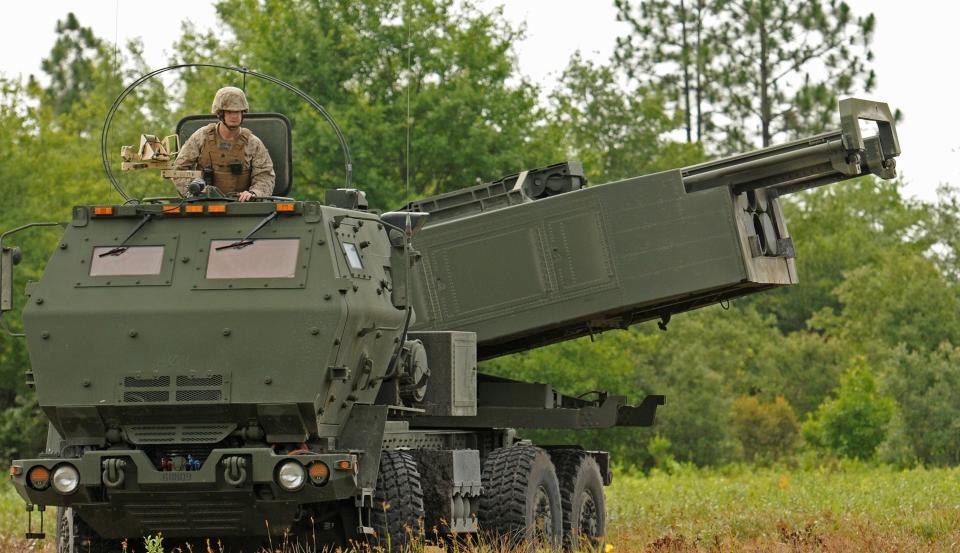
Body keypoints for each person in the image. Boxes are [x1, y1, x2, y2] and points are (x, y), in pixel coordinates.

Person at [173, 86, 275, 201]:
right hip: (203, 206)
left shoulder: (252, 143)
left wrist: (254, 193)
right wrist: (193, 192)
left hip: (240, 207)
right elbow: (179, 169)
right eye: (230, 111)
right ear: (220, 113)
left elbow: (265, 175)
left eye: (238, 111)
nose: (234, 116)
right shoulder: (201, 137)